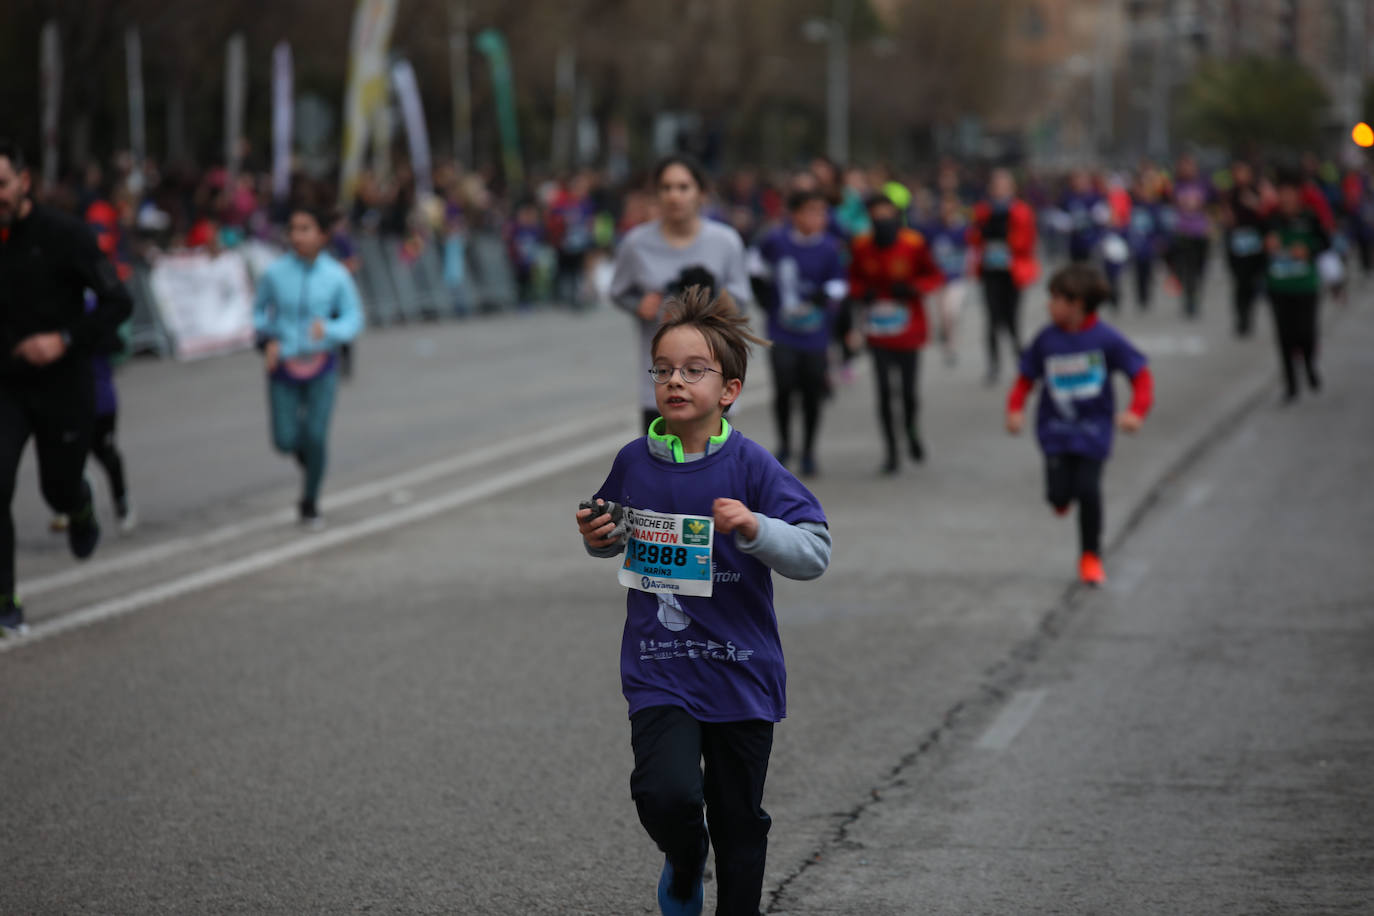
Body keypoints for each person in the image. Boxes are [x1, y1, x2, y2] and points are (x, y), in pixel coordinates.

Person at [575, 285, 830, 916]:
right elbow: (614, 534)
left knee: (739, 820)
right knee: (667, 797)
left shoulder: (751, 466)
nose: (675, 382)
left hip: (740, 670)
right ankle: (686, 862)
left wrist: (754, 528)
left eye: (694, 371)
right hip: (661, 665)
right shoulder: (634, 461)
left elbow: (815, 551)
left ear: (730, 390)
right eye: (663, 370)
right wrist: (597, 535)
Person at [0, 141, 132, 636]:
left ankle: (77, 504)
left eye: (2, 185)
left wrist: (65, 339)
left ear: (24, 182)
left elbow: (118, 302)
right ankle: (5, 602)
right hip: (6, 385)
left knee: (56, 487)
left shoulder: (66, 235)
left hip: (62, 382)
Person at [1005, 264, 1153, 586]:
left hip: (1094, 430)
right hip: (1055, 431)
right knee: (1058, 496)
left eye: (1055, 299)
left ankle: (1090, 556)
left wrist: (1136, 412)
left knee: (1088, 490)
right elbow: (1025, 378)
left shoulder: (1106, 339)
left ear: (1077, 304)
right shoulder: (1047, 339)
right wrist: (1015, 409)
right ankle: (1060, 499)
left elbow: (1140, 376)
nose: (1048, 305)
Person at [610, 154, 752, 433]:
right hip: (659, 383)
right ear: (656, 195)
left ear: (701, 194)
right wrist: (640, 304)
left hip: (710, 380)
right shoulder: (636, 243)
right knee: (661, 471)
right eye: (666, 188)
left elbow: (741, 304)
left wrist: (712, 291)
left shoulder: (725, 242)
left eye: (683, 187)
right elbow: (618, 292)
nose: (674, 196)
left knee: (712, 471)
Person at [252, 206, 364, 528]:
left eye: (306, 228)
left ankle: (310, 502)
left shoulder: (336, 275)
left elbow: (354, 317)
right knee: (285, 440)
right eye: (293, 229)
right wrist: (266, 340)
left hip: (322, 363)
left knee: (315, 434)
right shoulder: (274, 274)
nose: (297, 236)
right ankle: (309, 457)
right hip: (284, 364)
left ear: (322, 235)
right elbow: (258, 313)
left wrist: (330, 330)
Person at [750, 189, 847, 476]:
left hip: (816, 334)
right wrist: (762, 294)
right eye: (811, 211)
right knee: (783, 387)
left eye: (822, 212)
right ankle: (784, 443)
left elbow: (841, 283)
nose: (818, 218)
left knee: (812, 391)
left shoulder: (830, 247)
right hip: (781, 332)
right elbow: (755, 264)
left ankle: (808, 450)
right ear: (794, 214)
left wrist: (825, 293)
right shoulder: (776, 241)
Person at [849, 192, 944, 473]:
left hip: (909, 330)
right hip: (878, 331)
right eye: (875, 216)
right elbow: (852, 279)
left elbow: (935, 276)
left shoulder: (913, 244)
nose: (882, 220)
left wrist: (914, 287)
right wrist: (861, 293)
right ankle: (891, 450)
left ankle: (912, 431)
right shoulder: (862, 245)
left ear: (896, 215)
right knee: (883, 392)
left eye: (886, 214)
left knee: (908, 392)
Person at [1263, 170, 1330, 403]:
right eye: (1282, 193)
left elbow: (1325, 242)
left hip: (1305, 286)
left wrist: (1307, 251)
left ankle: (1310, 365)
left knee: (1306, 332)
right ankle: (1291, 384)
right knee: (1284, 336)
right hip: (1279, 286)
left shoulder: (1310, 218)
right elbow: (1255, 248)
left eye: (1290, 193)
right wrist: (1266, 246)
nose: (1286, 198)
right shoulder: (1271, 219)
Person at [969, 168, 1039, 385]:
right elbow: (973, 237)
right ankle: (993, 365)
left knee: (1012, 320)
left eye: (1003, 185)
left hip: (1012, 271)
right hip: (990, 271)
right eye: (996, 185)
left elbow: (1026, 242)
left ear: (1012, 188)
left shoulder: (1021, 211)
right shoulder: (983, 210)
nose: (999, 189)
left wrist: (1006, 241)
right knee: (991, 319)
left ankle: (1023, 365)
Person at [923, 193, 972, 367]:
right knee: (943, 314)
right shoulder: (932, 229)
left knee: (952, 310)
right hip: (938, 278)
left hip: (956, 278)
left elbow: (972, 250)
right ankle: (948, 344)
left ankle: (951, 343)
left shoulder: (964, 229)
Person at [1220, 161, 1269, 338]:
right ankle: (1241, 318)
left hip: (1255, 243)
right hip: (1237, 243)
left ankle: (1249, 316)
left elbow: (1267, 213)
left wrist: (1254, 203)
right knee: (1239, 283)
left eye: (1244, 172)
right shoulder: (1230, 194)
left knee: (1252, 283)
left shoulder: (1258, 191)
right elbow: (1226, 219)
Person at [1168, 154, 1213, 320]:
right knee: (1187, 269)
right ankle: (1189, 301)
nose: (1187, 169)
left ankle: (1195, 296)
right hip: (1183, 232)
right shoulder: (1174, 185)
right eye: (1184, 166)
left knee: (1200, 268)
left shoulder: (1204, 183)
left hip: (1201, 232)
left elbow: (1214, 204)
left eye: (1190, 165)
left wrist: (1211, 224)